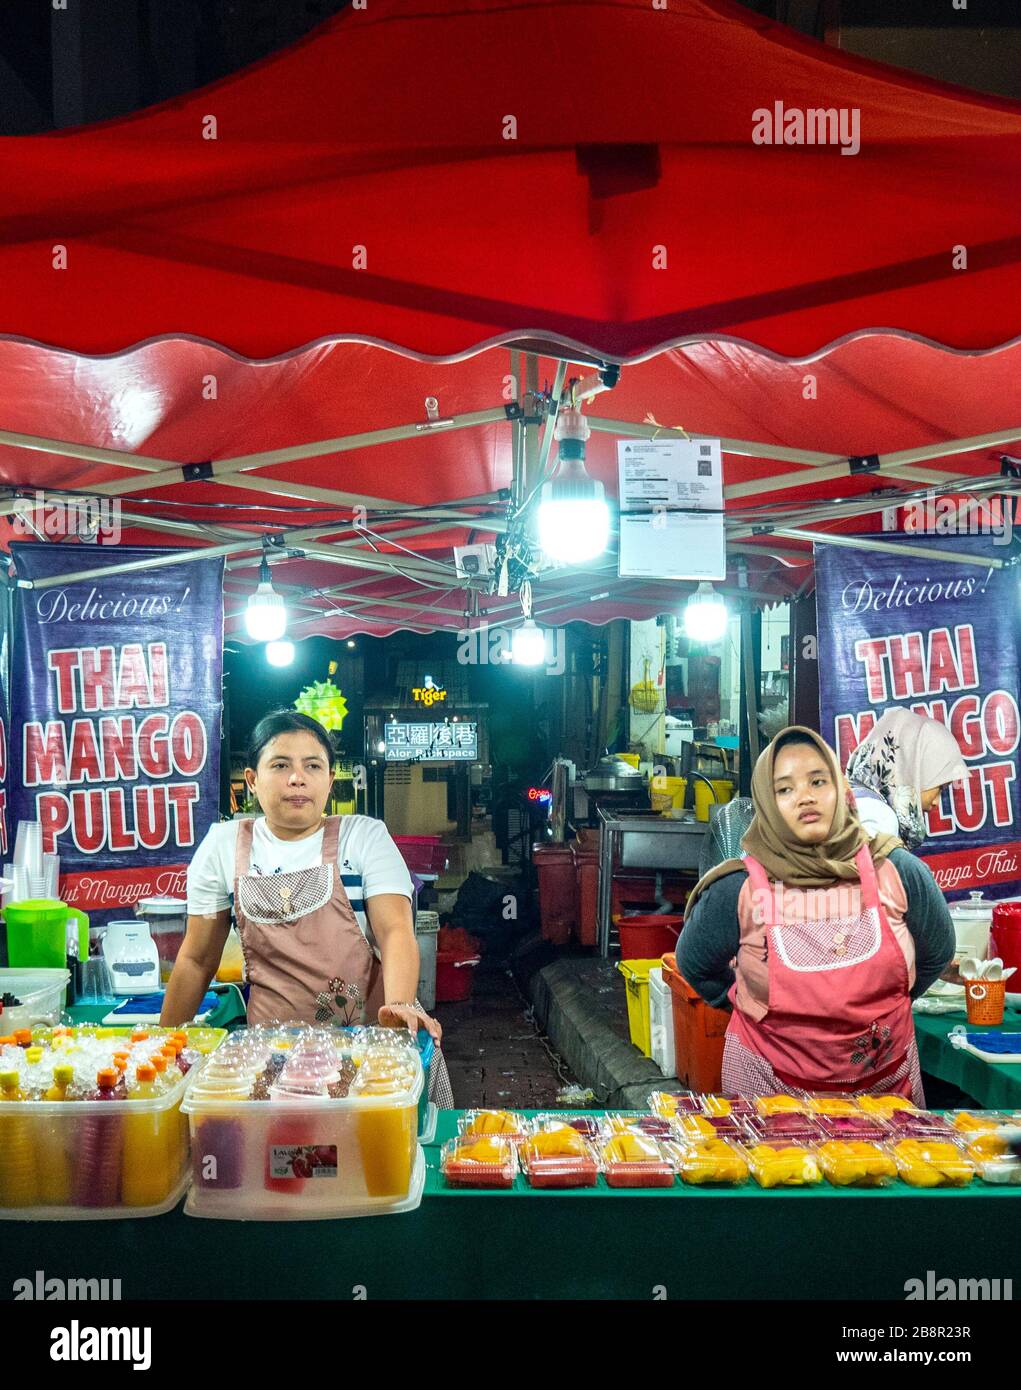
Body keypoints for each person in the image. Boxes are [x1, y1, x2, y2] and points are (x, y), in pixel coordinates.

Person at [677, 726, 954, 1102]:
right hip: (769, 1092)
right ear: (766, 803)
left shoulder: (897, 870)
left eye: (818, 781)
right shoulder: (736, 889)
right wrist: (749, 1005)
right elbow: (695, 964)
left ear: (840, 788)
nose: (805, 798)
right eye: (784, 789)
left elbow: (937, 951)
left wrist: (887, 1007)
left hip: (886, 1092)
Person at [161, 710, 442, 1044]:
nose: (297, 778)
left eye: (312, 765)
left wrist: (399, 1005)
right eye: (280, 765)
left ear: (329, 777)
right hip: (268, 1052)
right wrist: (161, 1046)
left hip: (368, 1048)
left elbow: (394, 930)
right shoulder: (223, 845)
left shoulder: (364, 836)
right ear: (252, 779)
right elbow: (197, 960)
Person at [845, 709, 968, 850]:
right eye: (939, 787)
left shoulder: (854, 800)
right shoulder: (880, 819)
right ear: (912, 772)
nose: (936, 802)